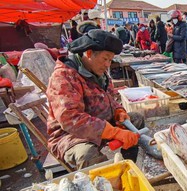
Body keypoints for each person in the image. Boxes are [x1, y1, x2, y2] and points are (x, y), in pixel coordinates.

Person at [46, 29, 144, 170]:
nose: (108, 65)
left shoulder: (101, 73)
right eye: (105, 59)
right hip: (71, 135)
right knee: (87, 154)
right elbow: (70, 119)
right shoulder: (64, 76)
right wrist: (113, 132)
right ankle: (108, 187)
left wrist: (118, 111)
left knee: (136, 119)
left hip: (101, 123)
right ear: (89, 53)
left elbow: (111, 97)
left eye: (110, 60)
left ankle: (130, 166)